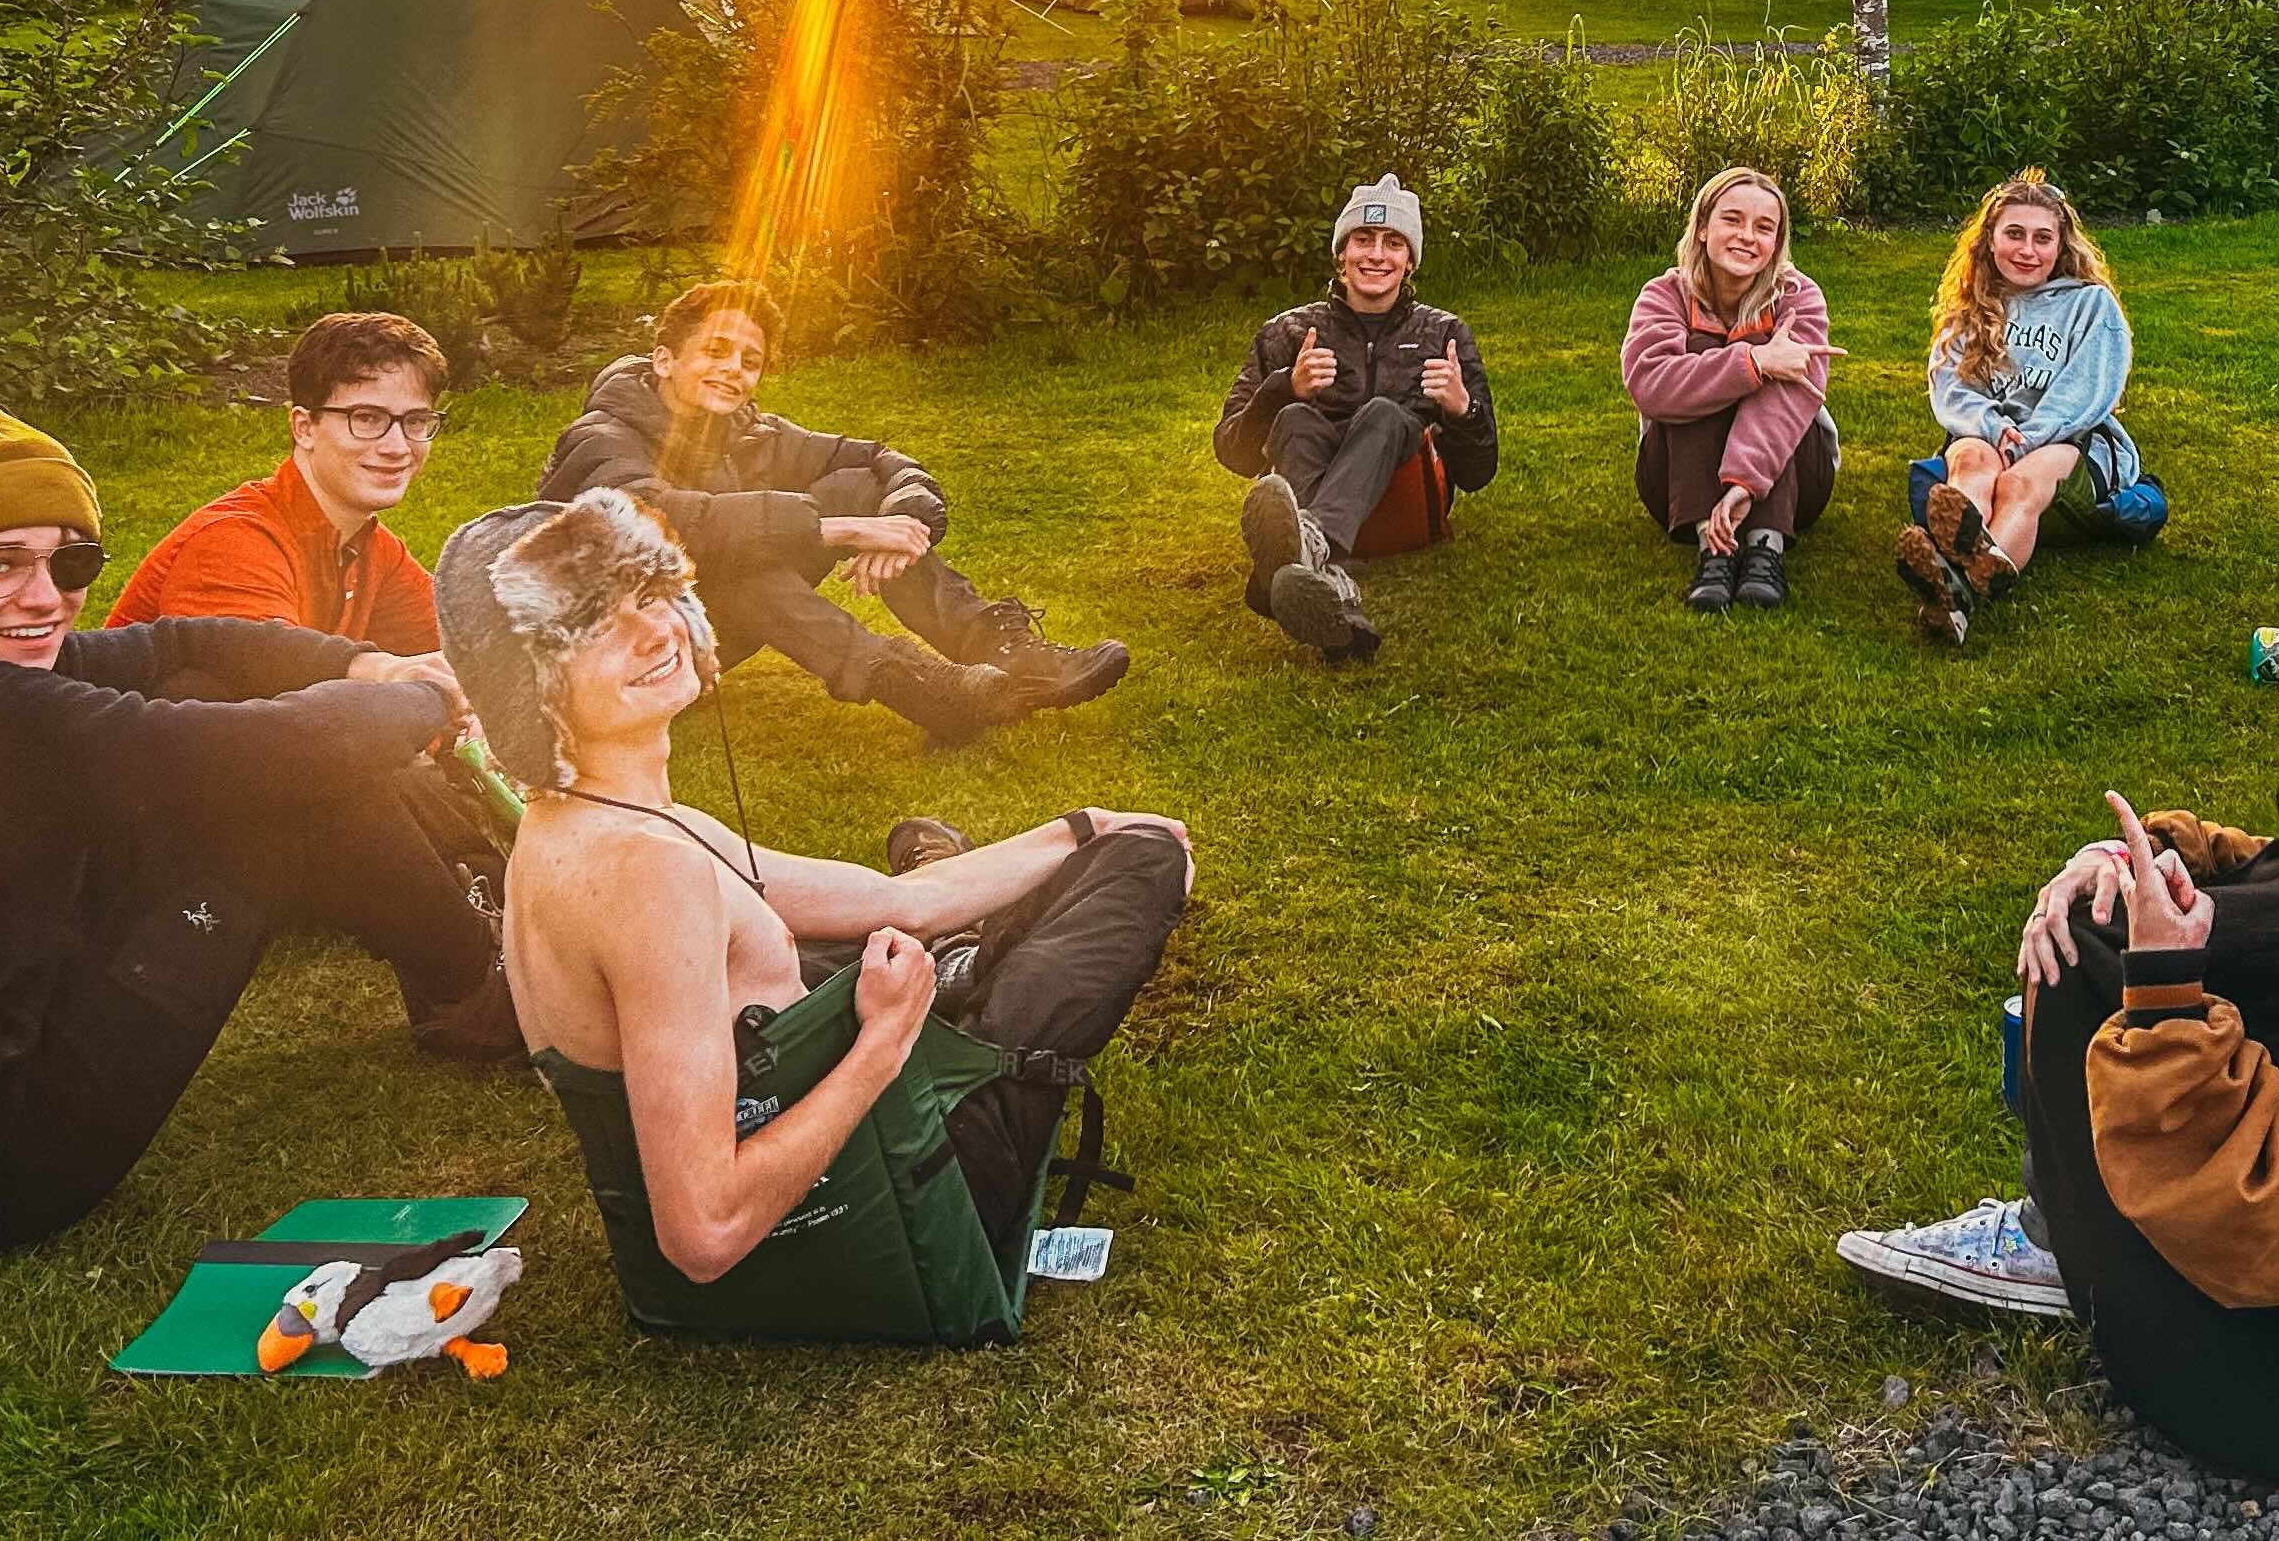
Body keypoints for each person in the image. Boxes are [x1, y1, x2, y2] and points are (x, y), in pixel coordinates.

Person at [0, 403, 516, 1257]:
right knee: (284, 799)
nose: (43, 597)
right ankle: (485, 994)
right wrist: (422, 697)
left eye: (69, 561)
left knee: (205, 681)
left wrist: (355, 661)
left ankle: (468, 970)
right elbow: (271, 751)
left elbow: (176, 641)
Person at [1833, 594, 2279, 1486]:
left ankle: (2052, 1235)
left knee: (2084, 954)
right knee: (2112, 904)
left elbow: (2278, 1238)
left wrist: (2162, 999)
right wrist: (2139, 852)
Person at [441, 491, 1189, 1319]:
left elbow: (895, 899)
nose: (654, 632)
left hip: (816, 1146)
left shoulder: (589, 825)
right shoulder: (647, 878)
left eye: (648, 595)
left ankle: (959, 952)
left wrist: (1078, 826)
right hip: (876, 1214)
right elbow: (704, 1231)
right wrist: (885, 1036)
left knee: (918, 901)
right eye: (594, 626)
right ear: (529, 686)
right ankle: (959, 968)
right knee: (1147, 863)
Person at [542, 278, 1128, 746]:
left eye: (750, 360)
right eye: (716, 351)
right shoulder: (600, 437)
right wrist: (839, 529)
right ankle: (929, 692)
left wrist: (900, 521)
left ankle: (1003, 653)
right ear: (665, 360)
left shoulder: (746, 431)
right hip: (610, 657)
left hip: (694, 638)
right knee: (737, 569)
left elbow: (878, 460)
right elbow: (658, 527)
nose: (733, 369)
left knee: (851, 485)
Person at [108, 310, 503, 884]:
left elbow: (462, 654)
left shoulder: (370, 546)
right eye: (367, 419)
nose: (397, 446)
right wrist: (426, 726)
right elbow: (281, 719)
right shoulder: (236, 541)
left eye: (416, 421)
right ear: (304, 426)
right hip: (155, 811)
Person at [1216, 175, 1501, 664]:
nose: (1376, 255)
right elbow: (1233, 452)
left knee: (1383, 415)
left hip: (1406, 511)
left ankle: (1303, 544)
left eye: (1393, 243)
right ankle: (1326, 585)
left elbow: (1479, 473)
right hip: (1314, 473)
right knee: (1297, 419)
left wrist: (1462, 410)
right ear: (1340, 256)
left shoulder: (1444, 333)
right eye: (1362, 240)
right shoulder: (1287, 331)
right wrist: (1283, 387)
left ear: (1409, 261)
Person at [1900, 172, 2153, 649]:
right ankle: (1965, 583)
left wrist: (2033, 435)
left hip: (2066, 439)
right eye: (2014, 234)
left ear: (2061, 246)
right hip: (1989, 434)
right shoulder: (1970, 306)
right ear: (1989, 240)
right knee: (1971, 460)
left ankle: (1952, 584)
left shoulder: (2090, 304)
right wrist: (1994, 427)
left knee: (2019, 483)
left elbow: (2088, 390)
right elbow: (1952, 390)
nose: (2027, 250)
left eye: (2043, 238)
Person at [1622, 165, 1839, 612]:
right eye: (1732, 220)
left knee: (1766, 360)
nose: (1747, 236)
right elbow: (1651, 385)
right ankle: (1713, 549)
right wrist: (1753, 363)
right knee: (1706, 361)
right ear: (1702, 228)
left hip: (1797, 483)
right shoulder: (1663, 295)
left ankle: (1765, 548)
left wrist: (1744, 484)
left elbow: (1791, 402)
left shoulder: (1799, 297)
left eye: (1764, 228)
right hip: (1676, 485)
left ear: (1777, 242)